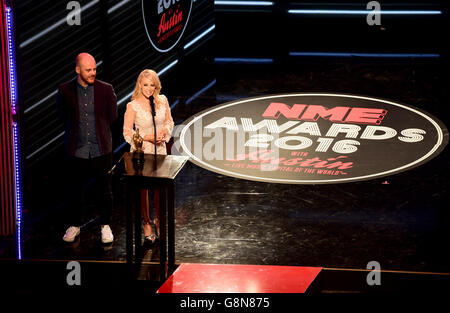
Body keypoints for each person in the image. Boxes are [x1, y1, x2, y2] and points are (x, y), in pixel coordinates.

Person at [57, 53, 117, 243]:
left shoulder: (105, 89)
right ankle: (75, 225)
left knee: (104, 191)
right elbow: (62, 116)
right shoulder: (65, 90)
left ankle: (105, 225)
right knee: (75, 191)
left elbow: (112, 116)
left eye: (94, 69)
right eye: (88, 70)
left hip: (101, 150)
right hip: (77, 150)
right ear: (78, 70)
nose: (93, 73)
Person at [123, 69, 174, 243]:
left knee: (159, 188)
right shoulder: (133, 106)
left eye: (152, 85)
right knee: (143, 190)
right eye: (146, 85)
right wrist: (146, 137)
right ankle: (146, 222)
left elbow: (169, 121)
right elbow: (127, 132)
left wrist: (165, 133)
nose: (149, 88)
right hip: (142, 152)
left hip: (160, 150)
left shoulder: (162, 100)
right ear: (139, 85)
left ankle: (159, 219)